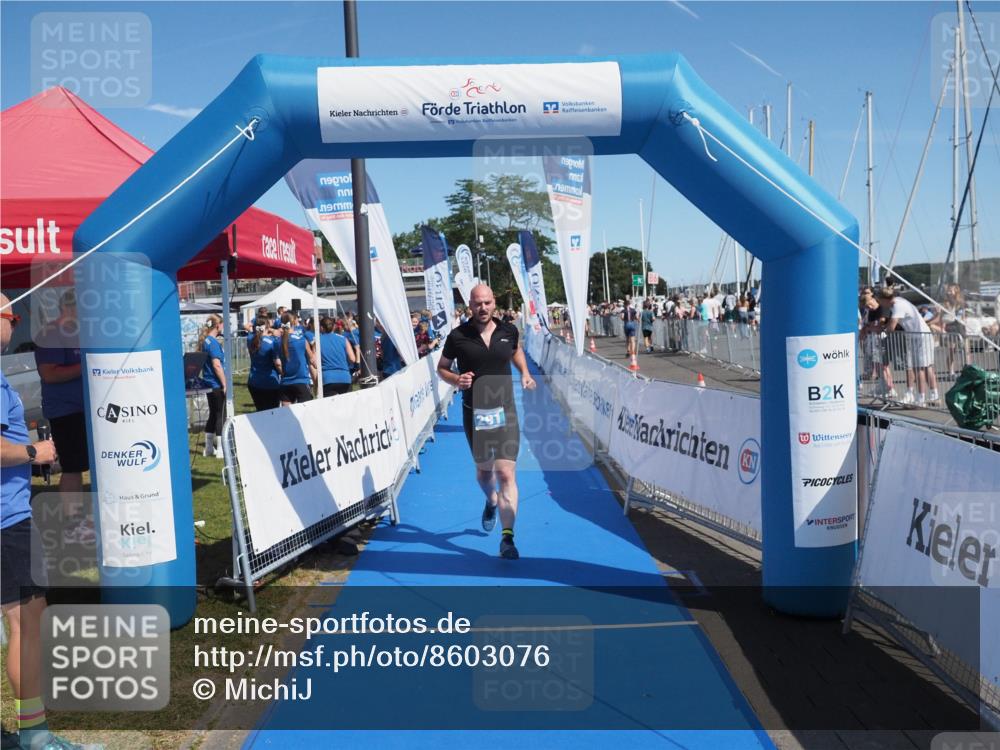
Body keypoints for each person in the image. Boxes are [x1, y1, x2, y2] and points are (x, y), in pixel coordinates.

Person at [2, 293, 96, 750]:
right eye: (10, 316)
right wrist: (32, 452)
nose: (14, 323)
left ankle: (33, 733)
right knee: (26, 626)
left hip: (13, 512)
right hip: (7, 519)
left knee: (26, 624)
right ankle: (35, 737)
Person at [436, 284, 536, 560]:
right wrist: (457, 379)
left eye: (488, 302)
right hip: (475, 411)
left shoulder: (508, 330)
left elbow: (515, 351)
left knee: (506, 473)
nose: (483, 308)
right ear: (470, 304)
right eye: (478, 303)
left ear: (494, 303)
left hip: (506, 411)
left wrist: (525, 373)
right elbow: (441, 368)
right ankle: (491, 500)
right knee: (484, 473)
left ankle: (507, 539)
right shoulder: (458, 336)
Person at [32, 290, 91, 542]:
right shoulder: (50, 334)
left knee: (86, 464)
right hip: (66, 410)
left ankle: (85, 518)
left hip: (87, 408)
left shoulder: (80, 333)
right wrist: (87, 365)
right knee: (73, 466)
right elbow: (50, 374)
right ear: (70, 307)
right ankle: (72, 525)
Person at [877, 287, 939, 406]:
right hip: (921, 335)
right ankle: (933, 395)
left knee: (919, 368)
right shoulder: (899, 300)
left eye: (880, 301)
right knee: (927, 367)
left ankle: (921, 399)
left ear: (885, 299)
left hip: (920, 337)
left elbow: (891, 327)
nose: (881, 304)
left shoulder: (897, 306)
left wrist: (882, 331)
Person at [198, 315, 226, 457]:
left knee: (213, 415)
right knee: (220, 414)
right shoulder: (213, 343)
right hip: (215, 383)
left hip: (208, 383)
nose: (223, 327)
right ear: (217, 325)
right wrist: (224, 383)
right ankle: (221, 449)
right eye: (222, 324)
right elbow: (217, 365)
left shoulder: (206, 341)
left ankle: (209, 448)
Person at [278, 311, 315, 405]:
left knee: (286, 417)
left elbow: (278, 362)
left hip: (285, 382)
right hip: (301, 380)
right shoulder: (302, 340)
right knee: (306, 415)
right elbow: (313, 360)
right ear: (294, 322)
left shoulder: (277, 342)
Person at [247, 315, 282, 411]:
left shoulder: (250, 339)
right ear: (266, 326)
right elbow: (277, 363)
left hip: (253, 381)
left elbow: (254, 334)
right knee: (272, 413)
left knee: (260, 411)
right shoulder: (272, 342)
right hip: (269, 382)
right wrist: (283, 374)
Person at [319, 316, 355, 395]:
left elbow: (313, 361)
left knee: (331, 406)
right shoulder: (343, 339)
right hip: (345, 377)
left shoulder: (318, 341)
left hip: (328, 378)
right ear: (334, 327)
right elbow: (352, 358)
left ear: (321, 328)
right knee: (347, 406)